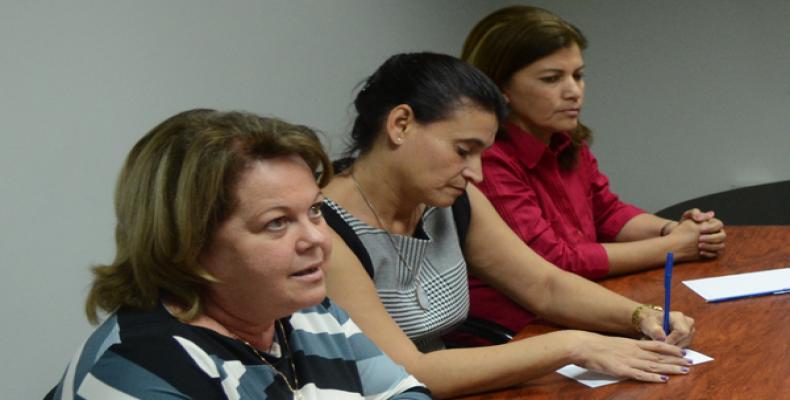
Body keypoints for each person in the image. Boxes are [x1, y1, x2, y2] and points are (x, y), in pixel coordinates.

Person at [320, 52, 697, 399]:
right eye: (463, 150)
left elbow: (544, 285)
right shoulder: (322, 228)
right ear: (400, 124)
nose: (477, 173)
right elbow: (410, 370)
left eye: (482, 153)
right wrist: (574, 346)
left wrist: (639, 315)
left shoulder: (450, 199)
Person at [49, 110, 431, 399]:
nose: (315, 238)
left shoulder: (311, 312)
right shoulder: (140, 370)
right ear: (191, 243)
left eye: (315, 210)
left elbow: (403, 393)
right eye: (277, 223)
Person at [460, 5, 727, 334]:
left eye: (578, 75)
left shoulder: (565, 140)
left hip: (581, 306)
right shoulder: (487, 159)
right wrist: (673, 248)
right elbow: (555, 261)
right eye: (552, 79)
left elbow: (608, 213)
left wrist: (676, 229)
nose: (574, 90)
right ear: (501, 90)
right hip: (520, 329)